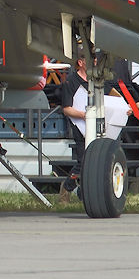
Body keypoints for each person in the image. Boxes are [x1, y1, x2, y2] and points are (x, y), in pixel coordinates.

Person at [58, 56, 88, 199]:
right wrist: (83, 115)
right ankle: (67, 186)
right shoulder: (71, 81)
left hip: (98, 126)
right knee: (83, 162)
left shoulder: (97, 81)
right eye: (90, 60)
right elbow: (66, 109)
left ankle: (84, 195)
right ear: (80, 63)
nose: (95, 62)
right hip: (79, 126)